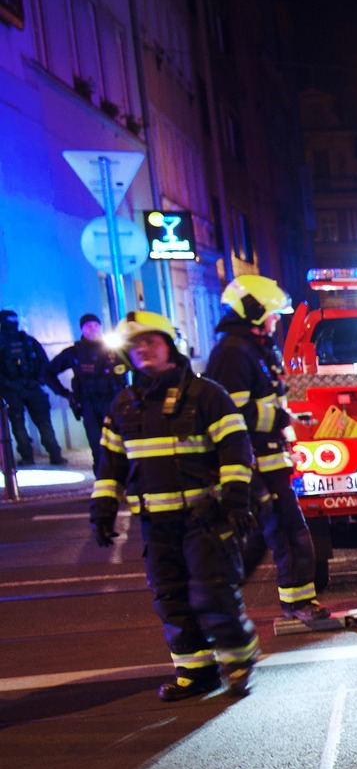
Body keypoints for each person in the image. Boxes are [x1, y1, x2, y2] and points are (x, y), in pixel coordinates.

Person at [90, 310, 259, 700]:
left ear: (170, 344)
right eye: (135, 345)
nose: (142, 350)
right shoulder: (124, 405)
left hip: (205, 517)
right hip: (155, 523)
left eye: (151, 341)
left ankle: (237, 661)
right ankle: (196, 673)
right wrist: (101, 509)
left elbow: (236, 447)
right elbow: (110, 464)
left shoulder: (207, 395)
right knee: (171, 596)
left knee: (212, 591)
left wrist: (235, 499)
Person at [205, 275, 323, 621]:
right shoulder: (232, 352)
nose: (276, 321)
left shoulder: (255, 348)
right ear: (254, 311)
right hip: (253, 461)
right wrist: (280, 417)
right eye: (272, 314)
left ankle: (223, 593)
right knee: (286, 532)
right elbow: (231, 411)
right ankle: (296, 602)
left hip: (269, 459)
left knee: (269, 533)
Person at [45, 314, 126, 474]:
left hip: (114, 402)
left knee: (120, 441)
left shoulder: (115, 350)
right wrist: (65, 394)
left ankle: (124, 477)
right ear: (82, 329)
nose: (93, 329)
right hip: (89, 403)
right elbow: (47, 372)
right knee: (97, 444)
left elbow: (136, 368)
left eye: (96, 325)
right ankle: (102, 478)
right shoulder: (74, 353)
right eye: (88, 326)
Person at [0, 308, 63, 465]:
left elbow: (43, 364)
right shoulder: (28, 341)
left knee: (19, 423)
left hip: (15, 389)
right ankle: (54, 455)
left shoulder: (23, 341)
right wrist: (36, 381)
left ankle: (31, 457)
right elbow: (44, 363)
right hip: (27, 388)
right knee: (41, 422)